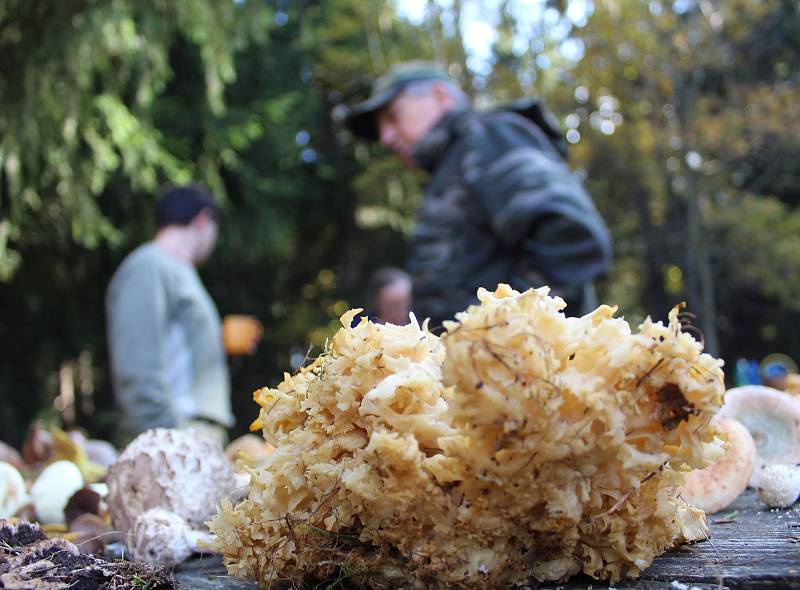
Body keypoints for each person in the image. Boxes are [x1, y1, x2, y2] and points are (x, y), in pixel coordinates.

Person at [346, 61, 612, 326]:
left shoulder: (488, 137)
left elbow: (571, 239)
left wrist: (503, 332)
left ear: (440, 95)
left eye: (393, 116)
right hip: (481, 363)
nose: (385, 137)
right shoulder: (452, 165)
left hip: (525, 362)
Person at [105, 184, 233, 444]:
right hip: (175, 444)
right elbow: (139, 369)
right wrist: (164, 444)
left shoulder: (177, 271)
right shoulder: (150, 265)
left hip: (193, 440)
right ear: (203, 219)